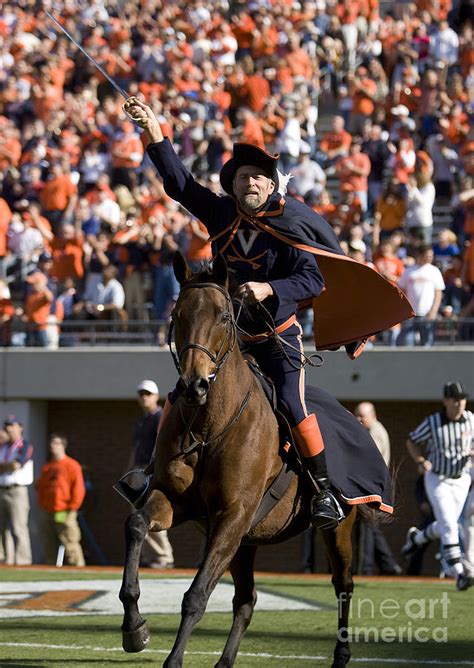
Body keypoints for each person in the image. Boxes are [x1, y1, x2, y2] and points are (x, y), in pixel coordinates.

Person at [122, 96, 412, 530]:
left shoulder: (294, 223)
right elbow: (179, 183)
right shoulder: (220, 215)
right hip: (231, 339)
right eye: (243, 177)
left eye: (259, 177)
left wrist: (269, 288)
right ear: (233, 185)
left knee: (294, 405)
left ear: (272, 185)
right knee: (182, 392)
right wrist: (154, 131)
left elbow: (314, 281)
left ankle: (324, 491)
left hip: (278, 340)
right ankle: (153, 475)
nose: (251, 183)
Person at [401, 381, 473, 591]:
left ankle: (416, 538)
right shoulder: (433, 422)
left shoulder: (471, 419)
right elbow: (411, 441)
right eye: (455, 399)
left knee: (445, 524)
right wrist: (420, 461)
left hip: (461, 479)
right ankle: (460, 574)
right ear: (446, 401)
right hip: (438, 479)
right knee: (450, 525)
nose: (460, 403)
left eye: (462, 398)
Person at [118, 380, 174, 568]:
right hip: (139, 470)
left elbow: (163, 445)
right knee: (137, 514)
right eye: (141, 394)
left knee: (151, 512)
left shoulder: (160, 416)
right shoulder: (142, 420)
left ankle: (164, 557)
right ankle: (151, 557)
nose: (144, 397)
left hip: (152, 470)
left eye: (148, 394)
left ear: (156, 397)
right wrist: (129, 469)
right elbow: (136, 448)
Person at [354, 402, 402, 575]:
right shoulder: (372, 430)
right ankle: (389, 566)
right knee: (372, 527)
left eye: (362, 416)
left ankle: (365, 568)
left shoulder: (375, 432)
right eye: (356, 415)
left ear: (373, 416)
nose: (358, 419)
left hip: (371, 486)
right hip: (372, 485)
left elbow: (367, 460)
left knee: (368, 527)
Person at [36, 434, 86, 566]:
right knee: (48, 544)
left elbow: (78, 488)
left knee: (70, 542)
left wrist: (72, 507)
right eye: (51, 443)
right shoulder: (47, 467)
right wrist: (41, 505)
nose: (53, 446)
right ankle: (51, 572)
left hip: (65, 510)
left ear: (63, 446)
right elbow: (41, 487)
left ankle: (78, 570)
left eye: (56, 443)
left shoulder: (72, 465)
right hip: (47, 510)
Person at [0, 415, 33, 565]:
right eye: (7, 426)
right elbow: (10, 465)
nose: (9, 429)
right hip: (2, 489)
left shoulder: (24, 445)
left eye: (12, 426)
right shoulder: (3, 446)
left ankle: (23, 561)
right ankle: (7, 559)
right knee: (2, 528)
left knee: (19, 527)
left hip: (17, 491)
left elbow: (17, 464)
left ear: (20, 427)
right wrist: (7, 466)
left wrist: (4, 466)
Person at [397, 245, 445, 347]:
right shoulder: (408, 271)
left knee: (427, 345)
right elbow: (401, 291)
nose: (430, 258)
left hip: (427, 314)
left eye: (431, 255)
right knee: (407, 343)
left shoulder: (434, 271)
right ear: (419, 255)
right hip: (410, 314)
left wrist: (433, 311)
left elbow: (438, 293)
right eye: (427, 255)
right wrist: (404, 310)